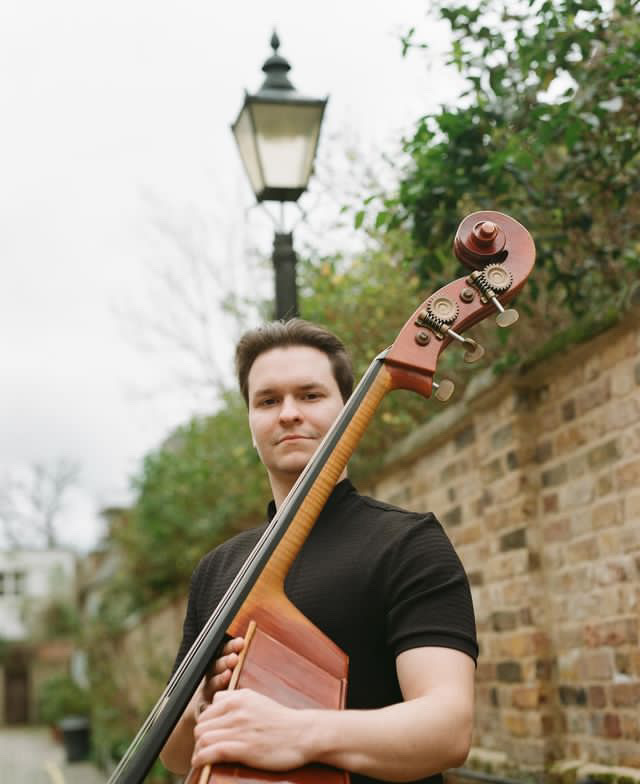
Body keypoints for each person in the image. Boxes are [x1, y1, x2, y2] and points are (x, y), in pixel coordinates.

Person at [160, 319, 478, 784]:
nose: (288, 413)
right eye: (267, 401)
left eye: (310, 395)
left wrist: (296, 732)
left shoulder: (408, 544)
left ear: (348, 410)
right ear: (251, 425)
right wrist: (201, 700)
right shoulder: (218, 569)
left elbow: (448, 729)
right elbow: (174, 755)